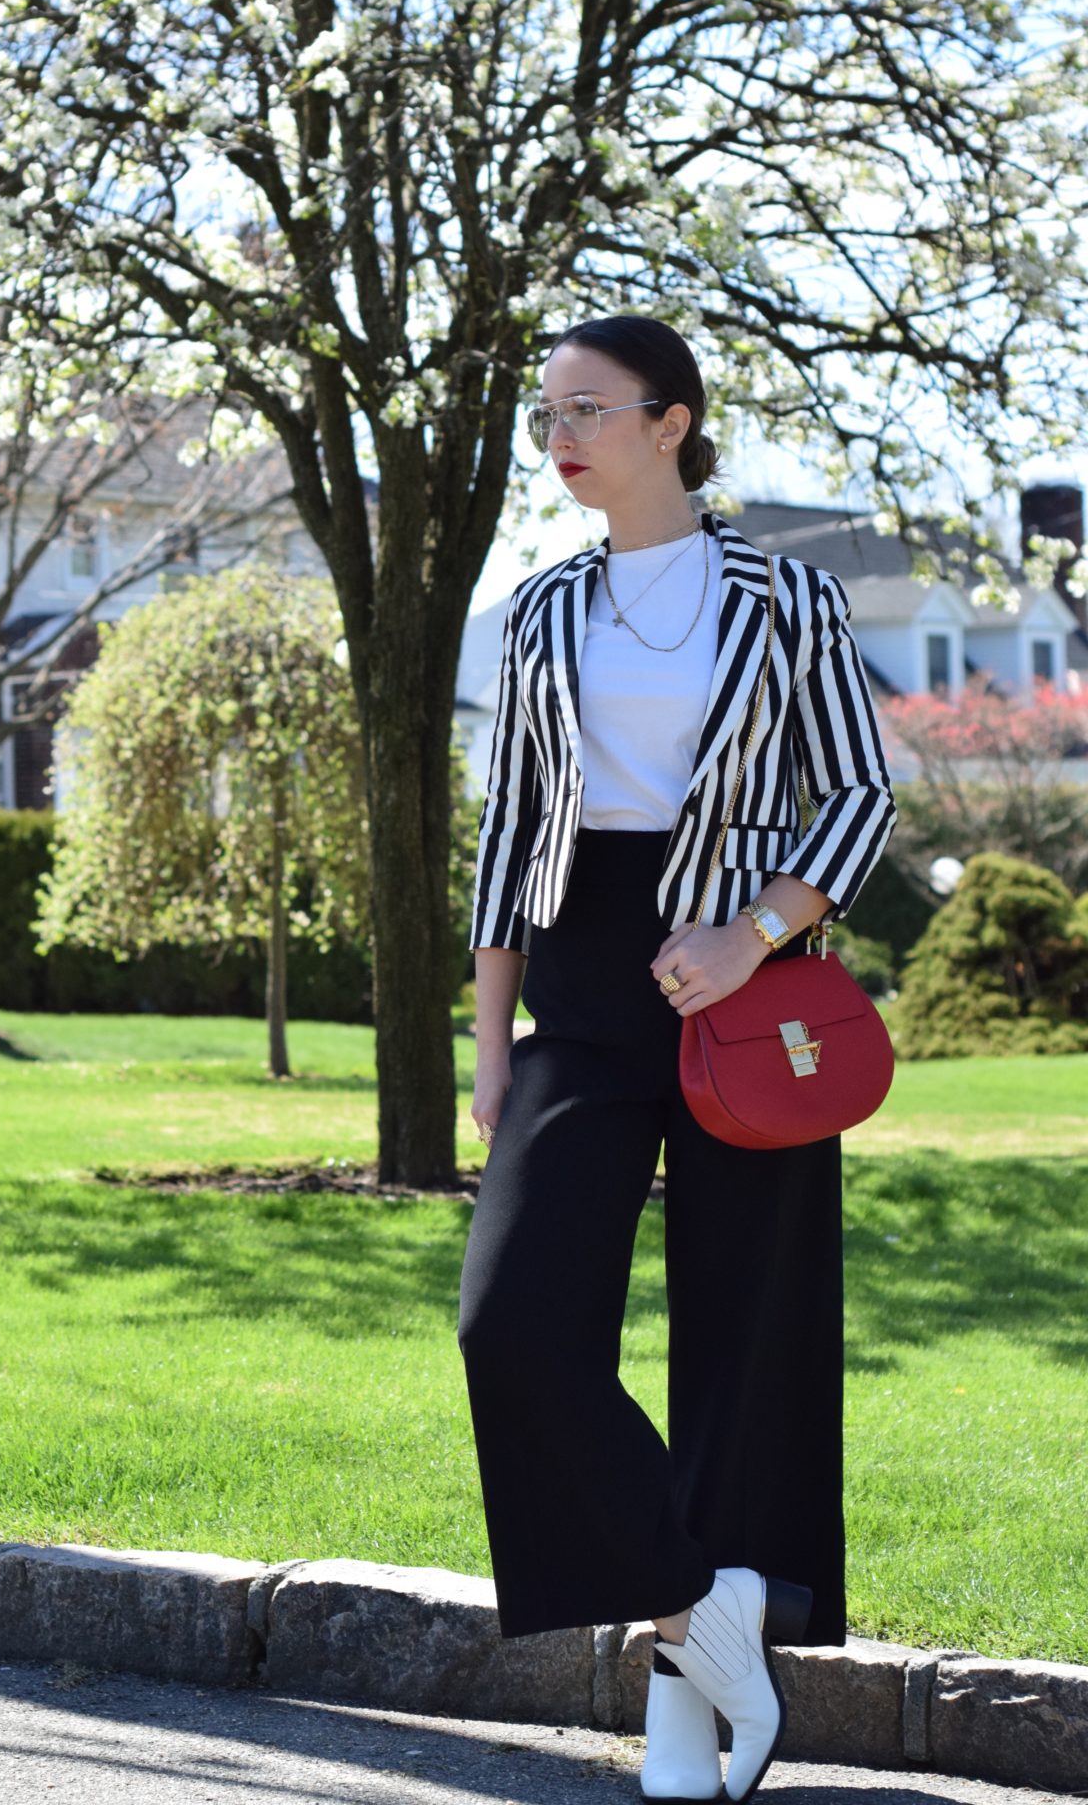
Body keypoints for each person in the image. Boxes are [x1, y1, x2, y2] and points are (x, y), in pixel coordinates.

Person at [457, 313, 898, 1803]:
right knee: (509, 1325)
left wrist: (753, 932)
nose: (559, 434)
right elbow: (513, 835)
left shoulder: (788, 598)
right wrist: (489, 1034)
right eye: (546, 413)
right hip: (580, 986)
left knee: (744, 1348)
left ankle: (682, 1717)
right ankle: (696, 1609)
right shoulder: (536, 612)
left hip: (745, 993)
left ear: (671, 420)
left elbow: (855, 796)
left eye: (587, 407)